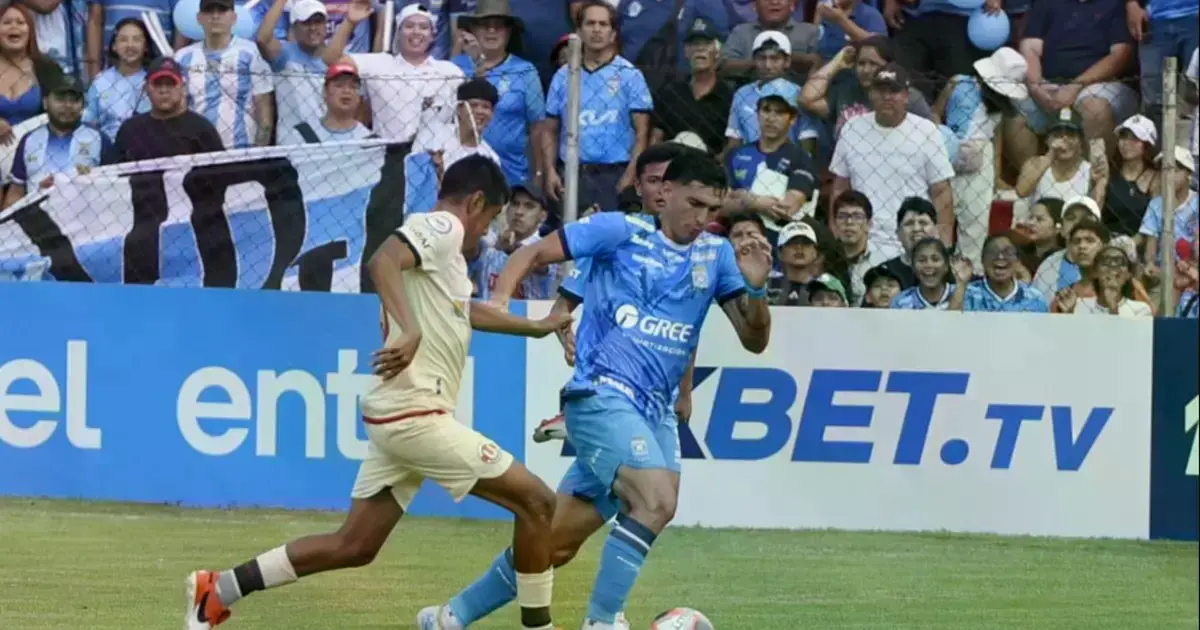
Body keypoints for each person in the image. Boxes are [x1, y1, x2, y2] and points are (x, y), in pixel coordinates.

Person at [184, 155, 569, 630]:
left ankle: (218, 589)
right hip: (416, 415)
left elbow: (464, 311)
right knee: (538, 501)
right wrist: (408, 330)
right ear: (474, 203)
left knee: (355, 545)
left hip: (401, 417)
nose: (483, 235)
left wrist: (536, 327)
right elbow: (382, 259)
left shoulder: (441, 252)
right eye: (488, 220)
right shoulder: (444, 225)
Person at [418, 150, 774, 630]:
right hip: (601, 396)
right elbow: (534, 251)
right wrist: (503, 300)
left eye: (713, 210)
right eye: (695, 204)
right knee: (656, 502)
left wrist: (755, 290)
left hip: (656, 412)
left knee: (557, 543)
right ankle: (603, 622)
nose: (703, 219)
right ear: (665, 193)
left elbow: (754, 341)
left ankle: (449, 617)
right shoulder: (619, 232)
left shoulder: (716, 256)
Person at [829, 63, 955, 259]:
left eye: (894, 91)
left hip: (913, 239)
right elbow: (840, 187)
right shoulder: (852, 128)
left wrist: (944, 244)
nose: (887, 97)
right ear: (870, 94)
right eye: (880, 91)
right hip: (862, 239)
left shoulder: (927, 131)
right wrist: (836, 234)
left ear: (906, 95)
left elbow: (941, 192)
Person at [544, 1, 652, 212]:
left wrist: (631, 173)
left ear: (613, 34)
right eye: (590, 23)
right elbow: (550, 130)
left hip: (615, 173)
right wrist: (549, 171)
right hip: (571, 171)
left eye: (603, 24)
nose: (596, 30)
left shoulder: (630, 75)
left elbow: (642, 134)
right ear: (579, 31)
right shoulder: (563, 76)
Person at [450, 0, 547, 186]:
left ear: (509, 32)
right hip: (460, 169)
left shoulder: (525, 71)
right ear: (473, 29)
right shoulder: (454, 67)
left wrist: (539, 172)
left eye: (498, 26)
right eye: (484, 25)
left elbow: (537, 127)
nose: (491, 31)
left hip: (511, 173)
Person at [174, 0, 275, 149]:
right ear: (199, 18)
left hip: (242, 148)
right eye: (209, 11)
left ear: (234, 17)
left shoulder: (250, 52)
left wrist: (260, 150)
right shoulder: (182, 57)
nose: (215, 16)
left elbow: (264, 106)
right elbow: (178, 108)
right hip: (197, 149)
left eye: (222, 10)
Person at [3, 75, 111, 209]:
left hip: (85, 221)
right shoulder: (30, 140)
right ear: (45, 103)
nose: (67, 105)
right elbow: (16, 191)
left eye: (74, 100)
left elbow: (112, 188)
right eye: (60, 99)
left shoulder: (99, 139)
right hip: (37, 220)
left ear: (83, 105)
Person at [110, 56, 225, 162]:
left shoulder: (201, 129)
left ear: (182, 88)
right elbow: (114, 174)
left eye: (170, 84)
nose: (164, 90)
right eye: (157, 84)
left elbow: (220, 173)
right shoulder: (130, 129)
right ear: (146, 89)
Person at [256, 0, 329, 147]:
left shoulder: (338, 58)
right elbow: (263, 39)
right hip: (292, 146)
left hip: (331, 144)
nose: (313, 28)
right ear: (294, 28)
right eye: (305, 23)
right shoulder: (284, 54)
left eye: (318, 22)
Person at [0, 3, 65, 146]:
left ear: (30, 30)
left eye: (20, 22)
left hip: (38, 150)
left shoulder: (48, 68)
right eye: (6, 22)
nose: (14, 27)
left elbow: (66, 110)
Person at [83, 17, 151, 141]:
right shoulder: (101, 81)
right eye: (124, 40)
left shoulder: (153, 81)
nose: (130, 45)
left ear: (146, 46)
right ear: (114, 46)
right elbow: (89, 122)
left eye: (136, 40)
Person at [954, 233, 1049, 312]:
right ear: (982, 261)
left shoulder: (1034, 298)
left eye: (1007, 252)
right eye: (992, 252)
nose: (1000, 257)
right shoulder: (967, 294)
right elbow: (950, 326)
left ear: (1017, 261)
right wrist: (960, 285)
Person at [288, 61, 375, 144]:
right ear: (325, 91)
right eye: (339, 85)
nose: (347, 91)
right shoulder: (302, 134)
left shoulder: (369, 139)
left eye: (353, 87)